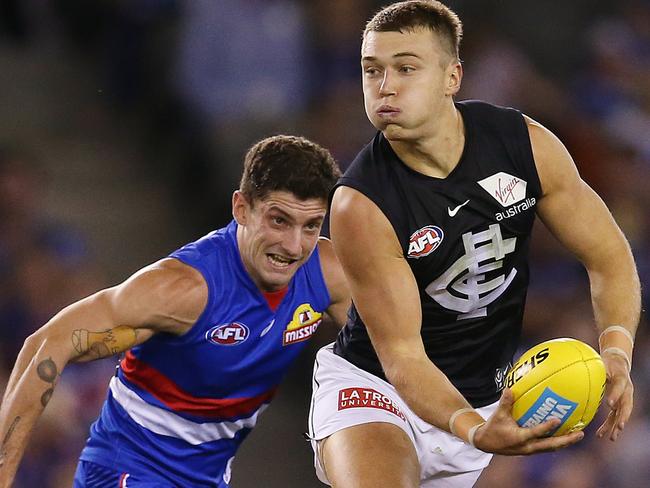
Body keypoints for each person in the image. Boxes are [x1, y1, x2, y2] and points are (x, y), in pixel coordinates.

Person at [307, 2, 641, 487]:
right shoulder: (360, 203)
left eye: (406, 68)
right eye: (371, 70)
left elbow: (609, 257)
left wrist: (616, 349)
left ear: (452, 77)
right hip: (379, 392)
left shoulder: (523, 145)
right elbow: (403, 358)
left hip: (489, 399)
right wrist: (476, 431)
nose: (385, 86)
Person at [0, 134, 350, 487]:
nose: (293, 246)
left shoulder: (327, 273)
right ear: (241, 208)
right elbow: (44, 346)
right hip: (127, 473)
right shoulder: (183, 287)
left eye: (311, 226)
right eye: (279, 221)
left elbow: (394, 349)